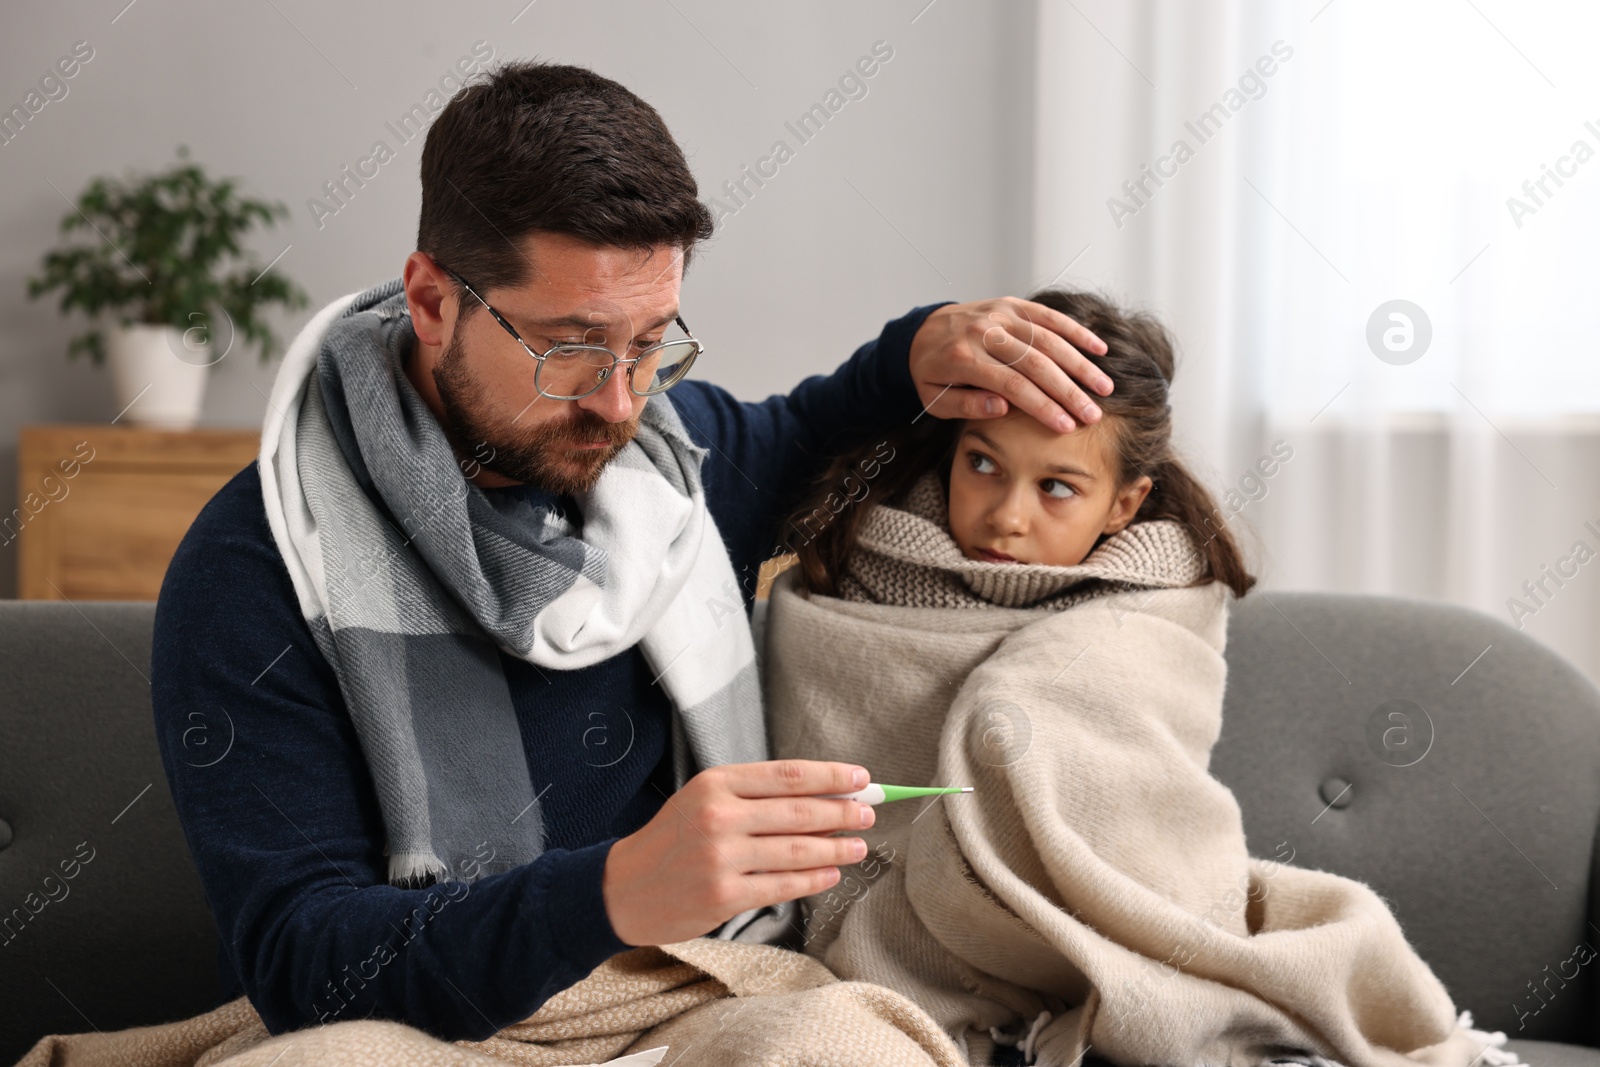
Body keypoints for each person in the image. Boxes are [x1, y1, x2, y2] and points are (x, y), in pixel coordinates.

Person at [148, 60, 1118, 1042]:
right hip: (420, 1028)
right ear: (433, 301)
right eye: (569, 348)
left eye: (651, 342)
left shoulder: (674, 463)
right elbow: (301, 960)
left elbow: (818, 425)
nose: (619, 402)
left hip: (696, 990)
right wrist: (611, 890)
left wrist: (924, 349)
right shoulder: (257, 568)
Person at [763, 289, 1515, 1067]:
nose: (1006, 516)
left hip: (1124, 943)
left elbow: (1158, 845)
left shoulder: (1158, 619)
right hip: (887, 956)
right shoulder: (842, 591)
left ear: (1125, 504)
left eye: (1057, 486)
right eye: (982, 463)